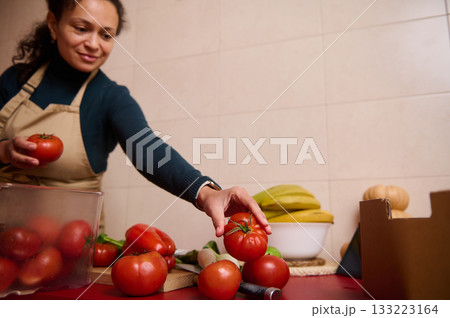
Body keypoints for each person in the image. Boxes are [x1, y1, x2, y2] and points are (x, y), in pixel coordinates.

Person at [0, 0, 271, 237]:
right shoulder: (15, 80)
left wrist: (205, 191)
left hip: (70, 251)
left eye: (106, 35)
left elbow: (148, 149)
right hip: (5, 238)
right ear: (53, 24)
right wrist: (4, 150)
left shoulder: (111, 98)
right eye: (81, 29)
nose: (94, 44)